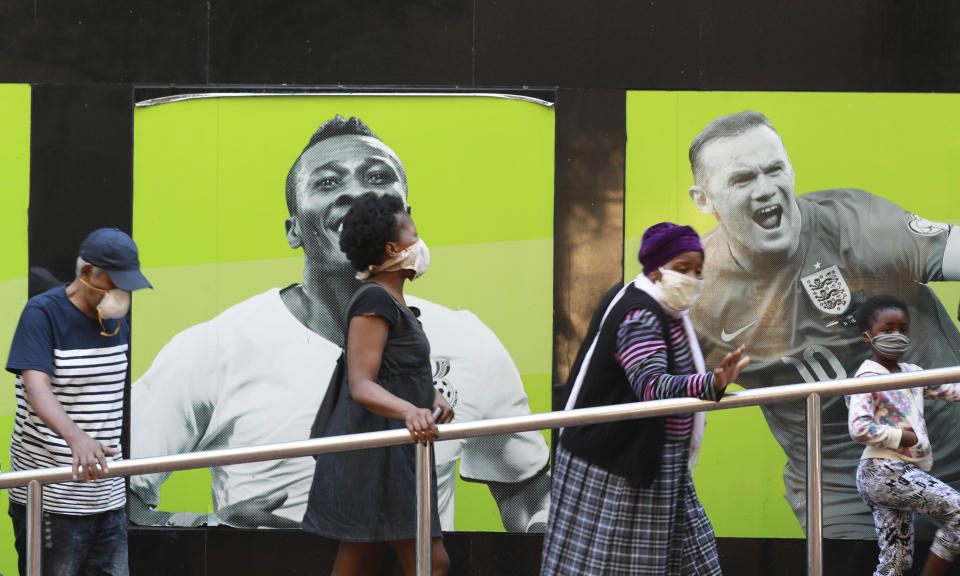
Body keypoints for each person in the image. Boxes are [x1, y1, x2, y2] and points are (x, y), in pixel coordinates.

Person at [129, 115, 550, 530]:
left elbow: (525, 491)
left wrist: (543, 529)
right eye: (328, 182)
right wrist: (211, 528)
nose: (358, 192)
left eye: (378, 177)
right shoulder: (214, 348)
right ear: (293, 230)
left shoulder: (469, 342)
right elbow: (110, 495)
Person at [686, 110, 960, 538]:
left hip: (953, 460)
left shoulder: (852, 223)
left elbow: (954, 250)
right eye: (742, 180)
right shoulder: (698, 295)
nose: (766, 189)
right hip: (845, 495)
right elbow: (649, 385)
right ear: (704, 200)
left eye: (775, 169)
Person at [541, 222, 749, 575]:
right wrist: (710, 383)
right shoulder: (641, 316)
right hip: (618, 469)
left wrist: (710, 384)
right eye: (681, 269)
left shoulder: (654, 308)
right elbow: (650, 386)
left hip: (658, 464)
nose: (692, 278)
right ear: (655, 269)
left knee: (695, 563)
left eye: (698, 271)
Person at [301, 192, 452, 574]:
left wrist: (429, 394)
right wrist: (410, 410)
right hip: (379, 457)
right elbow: (361, 383)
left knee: (360, 561)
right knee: (431, 564)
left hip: (392, 454)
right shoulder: (374, 299)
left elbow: (395, 369)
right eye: (413, 235)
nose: (420, 244)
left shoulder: (394, 302)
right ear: (391, 247)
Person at [5, 228, 153, 576]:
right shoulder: (42, 314)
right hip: (51, 499)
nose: (122, 292)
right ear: (87, 272)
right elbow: (37, 389)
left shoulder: (114, 319)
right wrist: (77, 438)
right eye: (115, 282)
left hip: (107, 496)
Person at [848, 295, 960, 576]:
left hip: (896, 472)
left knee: (896, 562)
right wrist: (900, 436)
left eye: (903, 328)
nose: (896, 335)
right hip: (883, 471)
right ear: (867, 336)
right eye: (887, 330)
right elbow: (858, 427)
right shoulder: (867, 377)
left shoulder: (911, 374)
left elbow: (950, 390)